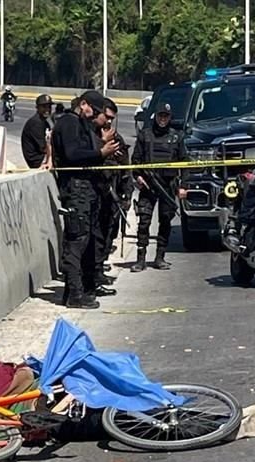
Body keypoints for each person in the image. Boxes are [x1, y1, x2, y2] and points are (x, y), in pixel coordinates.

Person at [51, 90, 120, 309]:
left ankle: (80, 291)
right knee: (77, 241)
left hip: (86, 190)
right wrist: (101, 152)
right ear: (84, 104)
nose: (96, 116)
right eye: (96, 111)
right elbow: (73, 154)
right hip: (75, 190)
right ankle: (74, 296)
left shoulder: (81, 124)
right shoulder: (69, 123)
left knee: (87, 240)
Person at [130, 102, 185, 272]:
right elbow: (136, 160)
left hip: (167, 187)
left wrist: (183, 186)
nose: (163, 119)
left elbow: (184, 163)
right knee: (144, 222)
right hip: (148, 186)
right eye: (160, 116)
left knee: (165, 222)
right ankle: (140, 259)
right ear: (156, 116)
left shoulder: (176, 137)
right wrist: (138, 176)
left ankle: (160, 257)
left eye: (166, 116)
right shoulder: (145, 135)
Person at [99, 98, 133, 269]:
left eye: (113, 118)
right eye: (107, 116)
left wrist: (127, 195)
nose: (109, 121)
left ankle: (102, 263)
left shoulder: (117, 138)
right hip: (98, 191)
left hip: (115, 192)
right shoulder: (93, 135)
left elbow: (126, 170)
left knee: (110, 230)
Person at [21, 94, 54, 169]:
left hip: (42, 156)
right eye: (44, 107)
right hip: (37, 160)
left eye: (49, 107)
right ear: (37, 108)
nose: (47, 109)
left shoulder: (44, 123)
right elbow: (43, 148)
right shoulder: (36, 123)